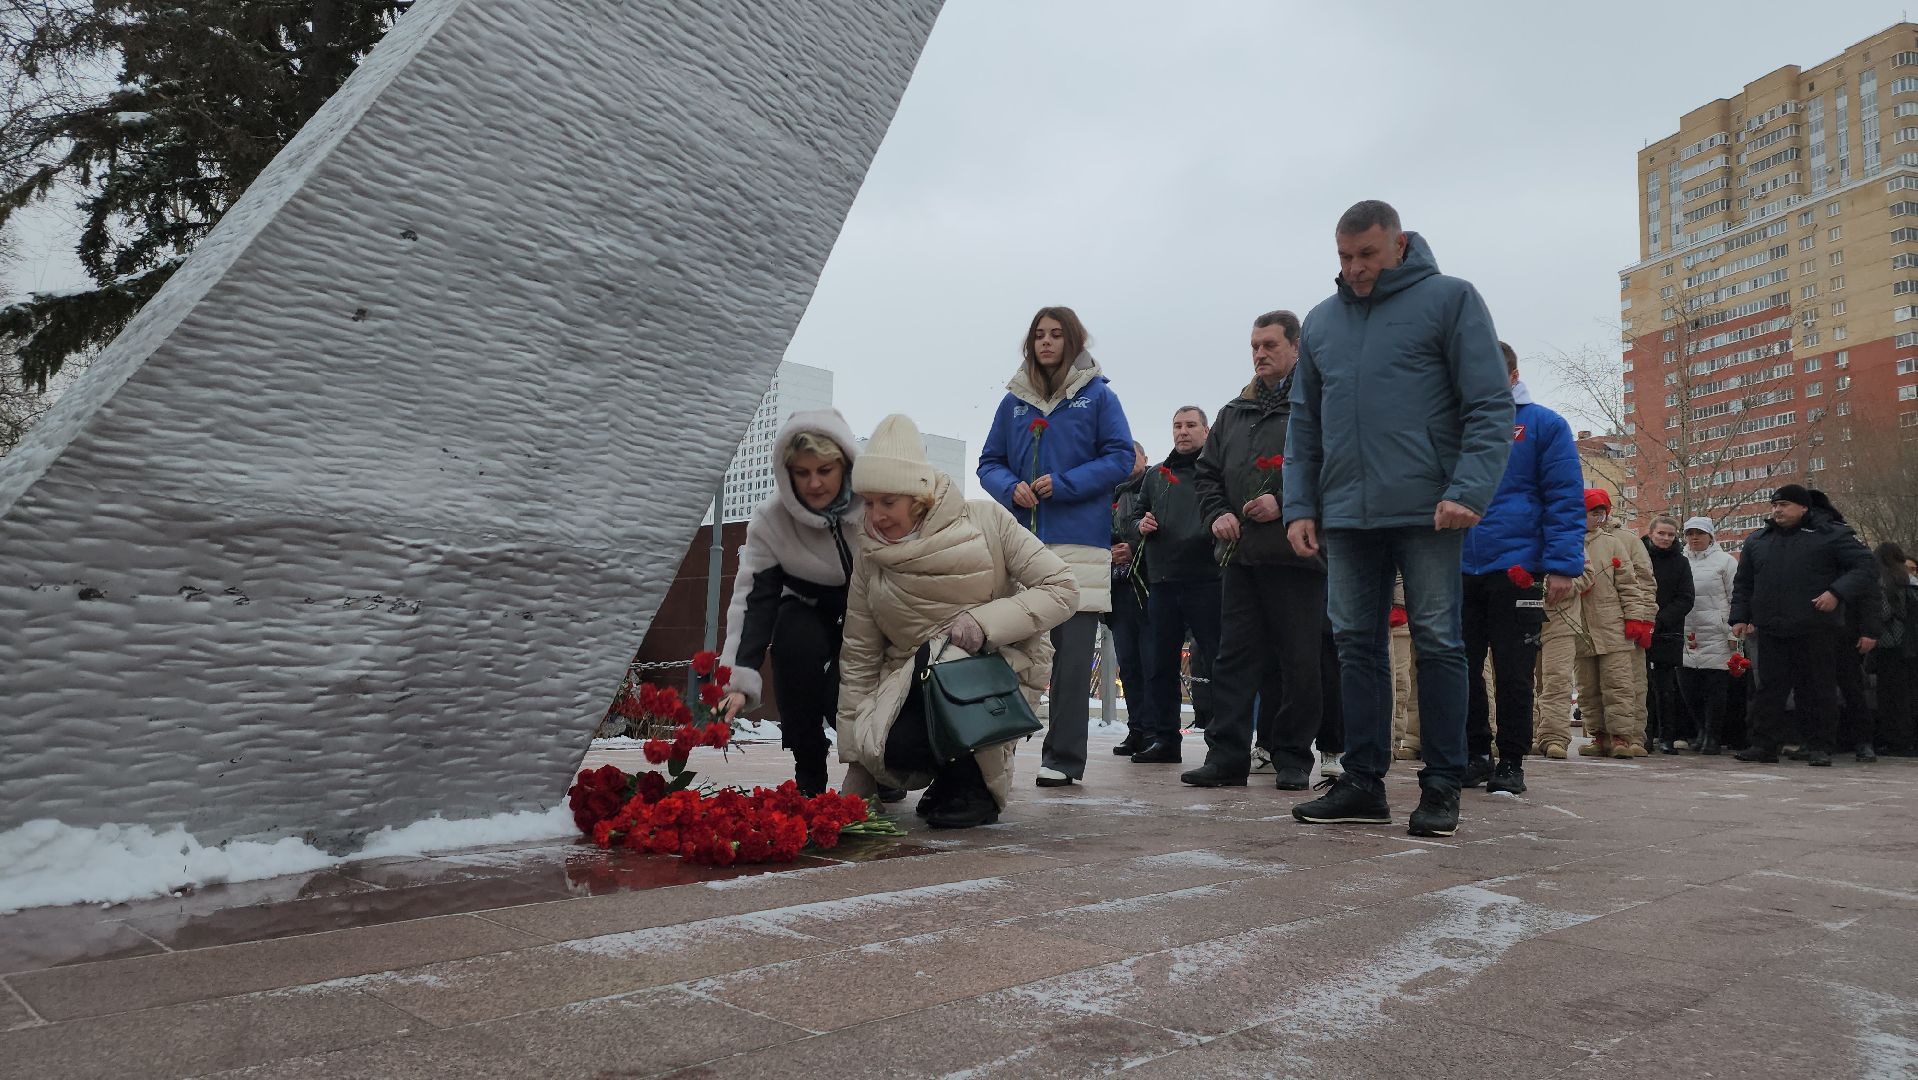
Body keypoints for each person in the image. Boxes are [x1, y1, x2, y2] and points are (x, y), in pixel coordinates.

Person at [1283, 200, 1514, 838]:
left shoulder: (1450, 300)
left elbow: (1491, 403)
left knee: (1439, 642)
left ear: (1400, 244)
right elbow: (1305, 424)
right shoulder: (1321, 323)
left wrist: (1469, 487)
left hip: (1429, 509)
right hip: (1346, 513)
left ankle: (1441, 784)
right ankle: (1362, 782)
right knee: (1355, 645)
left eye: (1368, 255)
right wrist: (1301, 503)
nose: (1355, 269)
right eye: (1345, 257)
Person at [837, 415, 1078, 827]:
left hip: (994, 671)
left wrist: (984, 624)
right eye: (868, 502)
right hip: (911, 683)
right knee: (887, 748)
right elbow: (859, 654)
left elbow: (1063, 588)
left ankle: (973, 786)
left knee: (949, 661)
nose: (875, 516)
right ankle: (947, 775)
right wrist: (860, 768)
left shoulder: (988, 521)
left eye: (887, 502)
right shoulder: (870, 555)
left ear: (917, 497)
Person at [978, 307, 1135, 788]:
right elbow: (990, 462)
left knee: (1070, 656)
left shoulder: (1099, 397)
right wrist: (1010, 488)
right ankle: (989, 750)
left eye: (1056, 335)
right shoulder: (1013, 403)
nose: (1047, 342)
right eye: (1039, 335)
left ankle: (1064, 757)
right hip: (1023, 541)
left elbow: (1121, 456)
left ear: (1073, 341)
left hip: (1080, 542)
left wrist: (1063, 484)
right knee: (1008, 647)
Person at [1181, 311, 1328, 790]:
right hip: (1241, 559)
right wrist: (1217, 513)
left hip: (1298, 557)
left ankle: (1291, 756)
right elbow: (1206, 475)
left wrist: (1285, 503)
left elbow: (1336, 473)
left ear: (1296, 347)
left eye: (1269, 345)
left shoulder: (1317, 405)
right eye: (1254, 347)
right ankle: (1226, 756)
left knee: (1299, 662)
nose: (1260, 354)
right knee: (1233, 661)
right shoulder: (1233, 413)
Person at [1456, 342, 1584, 795]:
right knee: (1460, 667)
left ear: (1512, 376)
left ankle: (1511, 760)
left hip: (1518, 569)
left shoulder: (1543, 425)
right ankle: (1473, 754)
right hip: (1458, 566)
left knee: (1513, 670)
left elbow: (1565, 498)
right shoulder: (1455, 424)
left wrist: (1563, 565)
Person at [715, 409, 864, 796]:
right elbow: (752, 600)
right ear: (786, 472)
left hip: (870, 613)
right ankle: (809, 766)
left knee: (841, 694)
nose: (814, 484)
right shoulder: (771, 520)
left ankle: (878, 765)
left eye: (825, 470)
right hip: (808, 609)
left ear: (846, 464)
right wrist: (737, 680)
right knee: (792, 638)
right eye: (801, 472)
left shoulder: (876, 502)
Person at [1729, 484, 1875, 766]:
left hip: (1815, 627)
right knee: (1769, 689)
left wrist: (1836, 592)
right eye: (1774, 505)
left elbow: (1865, 567)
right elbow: (1744, 582)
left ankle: (1819, 745)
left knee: (1816, 688)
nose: (1777, 510)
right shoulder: (1758, 540)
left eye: (1784, 504)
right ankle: (1764, 745)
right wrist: (1739, 616)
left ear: (1803, 508)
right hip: (1771, 626)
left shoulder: (1830, 535)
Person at [1132, 407, 1221, 764]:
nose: (1183, 432)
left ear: (1206, 429)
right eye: (1177, 426)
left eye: (1190, 425)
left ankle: (1222, 741)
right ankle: (1165, 738)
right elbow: (1134, 516)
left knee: (1216, 663)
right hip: (1164, 579)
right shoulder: (1156, 476)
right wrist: (1141, 524)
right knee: (1160, 664)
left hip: (1208, 578)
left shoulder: (1217, 470)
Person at [1570, 489, 1657, 758]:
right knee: (1587, 687)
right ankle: (1598, 736)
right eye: (1592, 512)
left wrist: (1639, 618)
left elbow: (1633, 584)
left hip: (1613, 625)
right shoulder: (1567, 540)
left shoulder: (1617, 542)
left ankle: (1623, 737)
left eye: (1601, 512)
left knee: (1620, 685)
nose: (1598, 517)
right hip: (1580, 627)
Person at [1108, 442, 1154, 758]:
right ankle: (1137, 728)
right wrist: (1108, 553)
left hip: (1149, 587)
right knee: (1128, 664)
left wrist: (1136, 550)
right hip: (1119, 590)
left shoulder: (1157, 486)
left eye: (1132, 454)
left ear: (1145, 458)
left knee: (1153, 662)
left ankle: (1157, 729)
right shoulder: (1109, 495)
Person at [1679, 517, 1738, 755]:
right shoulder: (1680, 561)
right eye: (1690, 533)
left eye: (1700, 533)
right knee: (1688, 687)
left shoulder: (1725, 562)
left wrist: (1734, 629)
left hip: (1716, 632)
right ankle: (1700, 730)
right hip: (1685, 632)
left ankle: (1713, 736)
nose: (1694, 538)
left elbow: (1735, 595)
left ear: (1711, 536)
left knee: (1715, 689)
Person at [1641, 516, 1696, 754]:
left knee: (1666, 687)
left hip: (1668, 630)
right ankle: (1644, 734)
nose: (1665, 538)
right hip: (1639, 626)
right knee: (1641, 685)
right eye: (1661, 533)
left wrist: (1662, 618)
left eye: (1670, 535)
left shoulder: (1681, 562)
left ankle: (1667, 737)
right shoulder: (1639, 557)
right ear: (1651, 533)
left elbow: (1686, 597)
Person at [1867, 542, 1918, 758]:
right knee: (1910, 694)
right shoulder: (1912, 582)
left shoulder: (1883, 582)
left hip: (1890, 646)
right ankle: (1910, 739)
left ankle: (1896, 740)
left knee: (1890, 696)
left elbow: (1883, 614)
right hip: (1913, 645)